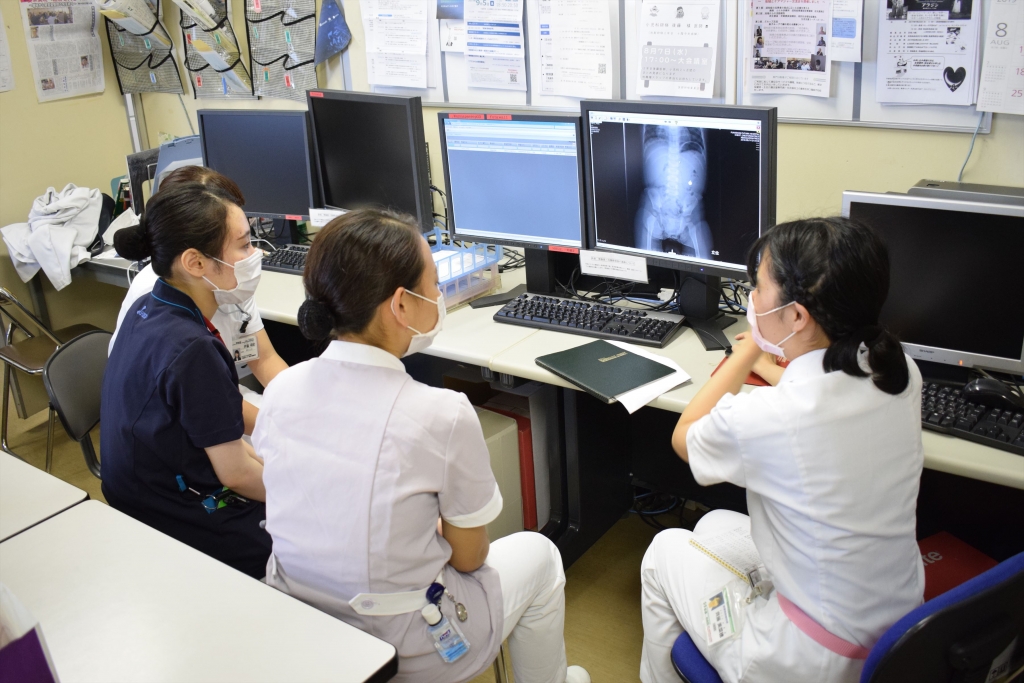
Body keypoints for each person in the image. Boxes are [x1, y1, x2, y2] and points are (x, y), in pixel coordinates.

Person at [253, 209, 590, 683]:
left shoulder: (282, 390)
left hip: (305, 622)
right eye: (433, 284)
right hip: (403, 643)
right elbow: (469, 558)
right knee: (540, 555)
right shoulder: (441, 414)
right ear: (401, 305)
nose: (438, 296)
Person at [639, 217, 924, 683]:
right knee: (713, 523)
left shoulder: (770, 418)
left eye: (758, 287)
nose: (751, 299)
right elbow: (812, 387)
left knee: (664, 550)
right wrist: (773, 363)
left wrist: (747, 352)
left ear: (797, 317)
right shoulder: (898, 370)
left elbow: (684, 435)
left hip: (802, 657)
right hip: (893, 636)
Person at [102, 183, 271, 578]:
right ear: (195, 262)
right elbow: (236, 474)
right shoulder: (193, 349)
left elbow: (223, 436)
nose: (255, 255)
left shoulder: (148, 306)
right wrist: (307, 495)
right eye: (244, 245)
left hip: (141, 492)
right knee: (314, 540)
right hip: (172, 514)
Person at [109, 166, 287, 434]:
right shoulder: (162, 306)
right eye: (242, 244)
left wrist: (300, 405)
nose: (254, 255)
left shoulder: (231, 279)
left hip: (218, 396)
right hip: (174, 417)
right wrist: (282, 431)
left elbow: (262, 357)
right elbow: (213, 407)